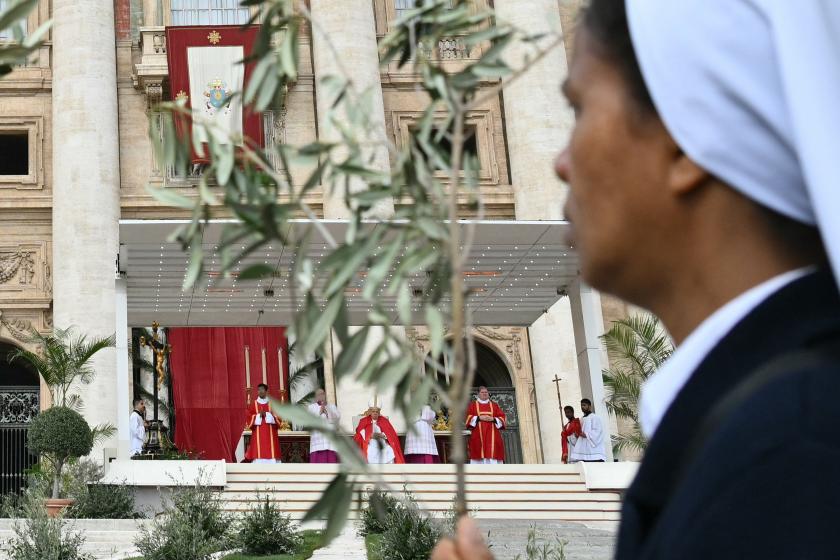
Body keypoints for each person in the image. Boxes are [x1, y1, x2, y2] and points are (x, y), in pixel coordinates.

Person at [553, 1, 840, 558]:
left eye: (578, 108)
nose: (562, 161)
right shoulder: (768, 425)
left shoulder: (792, 452)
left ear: (685, 138)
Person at [353, 398, 405, 464]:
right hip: (369, 443)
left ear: (379, 412)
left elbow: (391, 434)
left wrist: (383, 435)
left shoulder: (384, 421)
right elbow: (359, 433)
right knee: (370, 452)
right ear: (370, 412)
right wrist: (370, 436)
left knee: (390, 451)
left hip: (382, 443)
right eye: (373, 411)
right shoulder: (364, 421)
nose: (375, 413)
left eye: (377, 412)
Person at [465, 386, 506, 464]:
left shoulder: (494, 405)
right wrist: (479, 418)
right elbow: (468, 417)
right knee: (478, 452)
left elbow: (502, 417)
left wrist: (493, 419)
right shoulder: (473, 405)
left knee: (493, 452)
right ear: (478, 394)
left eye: (486, 392)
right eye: (482, 392)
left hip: (493, 435)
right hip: (478, 434)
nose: (484, 394)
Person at [244, 383, 282, 464]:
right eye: (258, 390)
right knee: (258, 458)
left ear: (266, 391)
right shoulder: (253, 404)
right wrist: (258, 416)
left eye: (262, 389)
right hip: (258, 435)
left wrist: (267, 415)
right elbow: (248, 417)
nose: (260, 391)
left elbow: (279, 417)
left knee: (272, 458)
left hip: (270, 434)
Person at [307, 388, 341, 463]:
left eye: (323, 394)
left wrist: (327, 412)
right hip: (317, 441)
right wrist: (320, 412)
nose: (321, 396)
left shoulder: (332, 406)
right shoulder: (311, 407)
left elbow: (337, 418)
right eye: (319, 394)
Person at [568, 399, 605, 463]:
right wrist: (577, 435)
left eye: (584, 405)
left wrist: (586, 435)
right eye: (581, 405)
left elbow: (598, 431)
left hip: (593, 451)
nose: (582, 407)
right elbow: (578, 432)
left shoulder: (595, 417)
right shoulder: (581, 419)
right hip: (583, 451)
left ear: (589, 406)